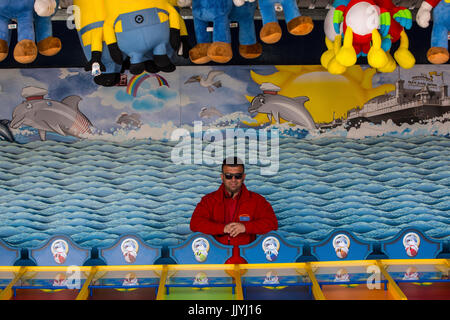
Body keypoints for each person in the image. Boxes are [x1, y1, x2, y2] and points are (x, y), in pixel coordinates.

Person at [190, 157, 278, 264]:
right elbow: (195, 224)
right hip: (216, 261)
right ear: (222, 177)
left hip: (247, 261)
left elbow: (272, 223)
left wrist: (245, 227)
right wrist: (222, 228)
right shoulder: (209, 200)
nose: (233, 180)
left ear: (244, 177)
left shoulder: (257, 200)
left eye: (238, 176)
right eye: (228, 176)